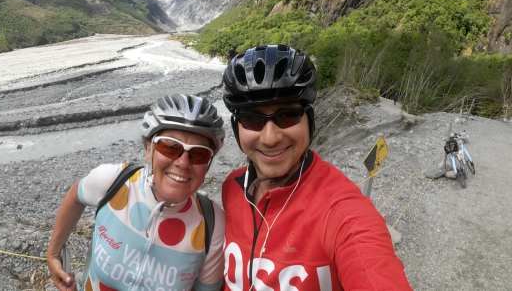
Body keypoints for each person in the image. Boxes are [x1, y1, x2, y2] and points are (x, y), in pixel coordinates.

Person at [221, 44, 412, 290]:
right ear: (237, 127)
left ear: (309, 121)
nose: (270, 137)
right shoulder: (232, 188)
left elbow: (372, 268)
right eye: (252, 119)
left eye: (287, 115)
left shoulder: (341, 211)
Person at [47, 94, 226, 291]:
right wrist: (53, 253)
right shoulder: (114, 181)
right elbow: (76, 195)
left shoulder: (212, 223)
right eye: (169, 147)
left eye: (198, 154)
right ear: (148, 148)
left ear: (208, 164)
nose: (183, 163)